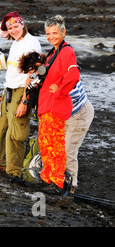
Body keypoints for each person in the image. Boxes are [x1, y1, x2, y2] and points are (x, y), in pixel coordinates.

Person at [0, 11, 42, 181]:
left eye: (16, 26)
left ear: (23, 24)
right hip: (8, 91)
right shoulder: (17, 42)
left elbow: (32, 76)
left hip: (21, 92)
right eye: (10, 28)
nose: (13, 30)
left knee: (16, 135)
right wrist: (5, 67)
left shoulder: (31, 44)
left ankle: (14, 171)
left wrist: (24, 101)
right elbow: (19, 68)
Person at [37, 15, 80, 190]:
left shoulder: (66, 51)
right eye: (48, 33)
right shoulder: (53, 53)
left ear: (63, 32)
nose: (51, 36)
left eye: (55, 32)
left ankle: (57, 182)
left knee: (55, 146)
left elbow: (74, 75)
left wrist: (60, 90)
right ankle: (48, 179)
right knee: (45, 143)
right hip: (46, 106)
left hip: (55, 106)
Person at [65, 80, 94, 193]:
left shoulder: (66, 69)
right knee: (60, 150)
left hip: (80, 113)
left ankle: (71, 187)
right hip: (67, 113)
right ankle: (61, 182)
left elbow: (75, 93)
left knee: (68, 151)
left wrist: (56, 92)